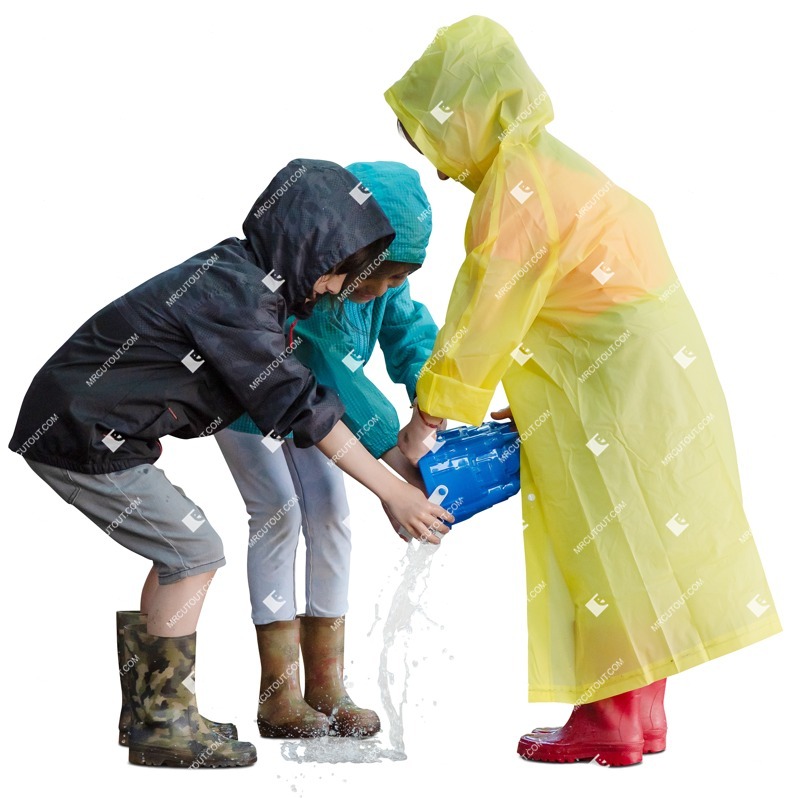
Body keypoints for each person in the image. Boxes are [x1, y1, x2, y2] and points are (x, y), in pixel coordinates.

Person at [385, 16, 780, 766]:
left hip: (620, 384)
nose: (435, 166)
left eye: (432, 138)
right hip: (642, 377)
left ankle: (609, 720)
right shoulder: (550, 167)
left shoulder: (517, 189)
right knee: (641, 534)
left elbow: (484, 317)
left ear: (466, 111)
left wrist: (426, 421)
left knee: (605, 539)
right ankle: (641, 715)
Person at [9, 158, 452, 769]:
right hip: (82, 433)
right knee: (194, 550)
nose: (327, 290)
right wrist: (392, 487)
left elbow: (322, 393)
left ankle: (153, 708)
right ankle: (166, 722)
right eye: (332, 275)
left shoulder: (246, 277)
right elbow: (307, 409)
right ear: (307, 251)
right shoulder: (238, 300)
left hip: (95, 430)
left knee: (179, 552)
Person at [215, 160, 440, 740]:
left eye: (397, 279)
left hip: (318, 418)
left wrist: (431, 394)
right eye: (378, 277)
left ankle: (327, 685)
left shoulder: (384, 282)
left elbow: (409, 331)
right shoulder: (315, 279)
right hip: (249, 406)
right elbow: (326, 373)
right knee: (278, 514)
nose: (382, 291)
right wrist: (393, 455)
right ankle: (278, 694)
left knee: (333, 516)